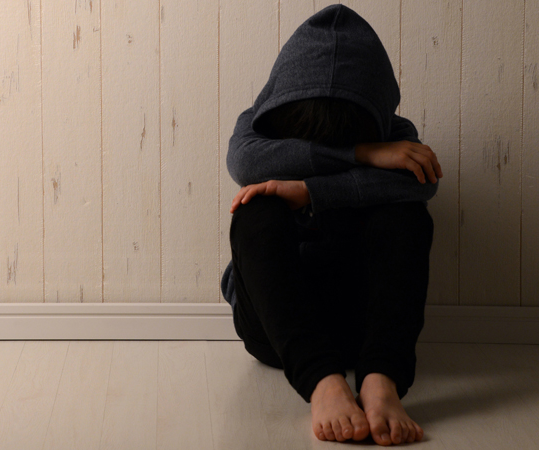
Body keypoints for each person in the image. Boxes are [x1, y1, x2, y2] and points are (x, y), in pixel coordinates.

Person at [220, 5, 443, 446]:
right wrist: (361, 155)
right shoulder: (256, 125)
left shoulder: (397, 132)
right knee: (255, 209)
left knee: (406, 213)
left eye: (351, 139)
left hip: (363, 329)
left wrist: (311, 191)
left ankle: (381, 382)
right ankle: (323, 384)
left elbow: (422, 187)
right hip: (277, 331)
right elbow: (243, 163)